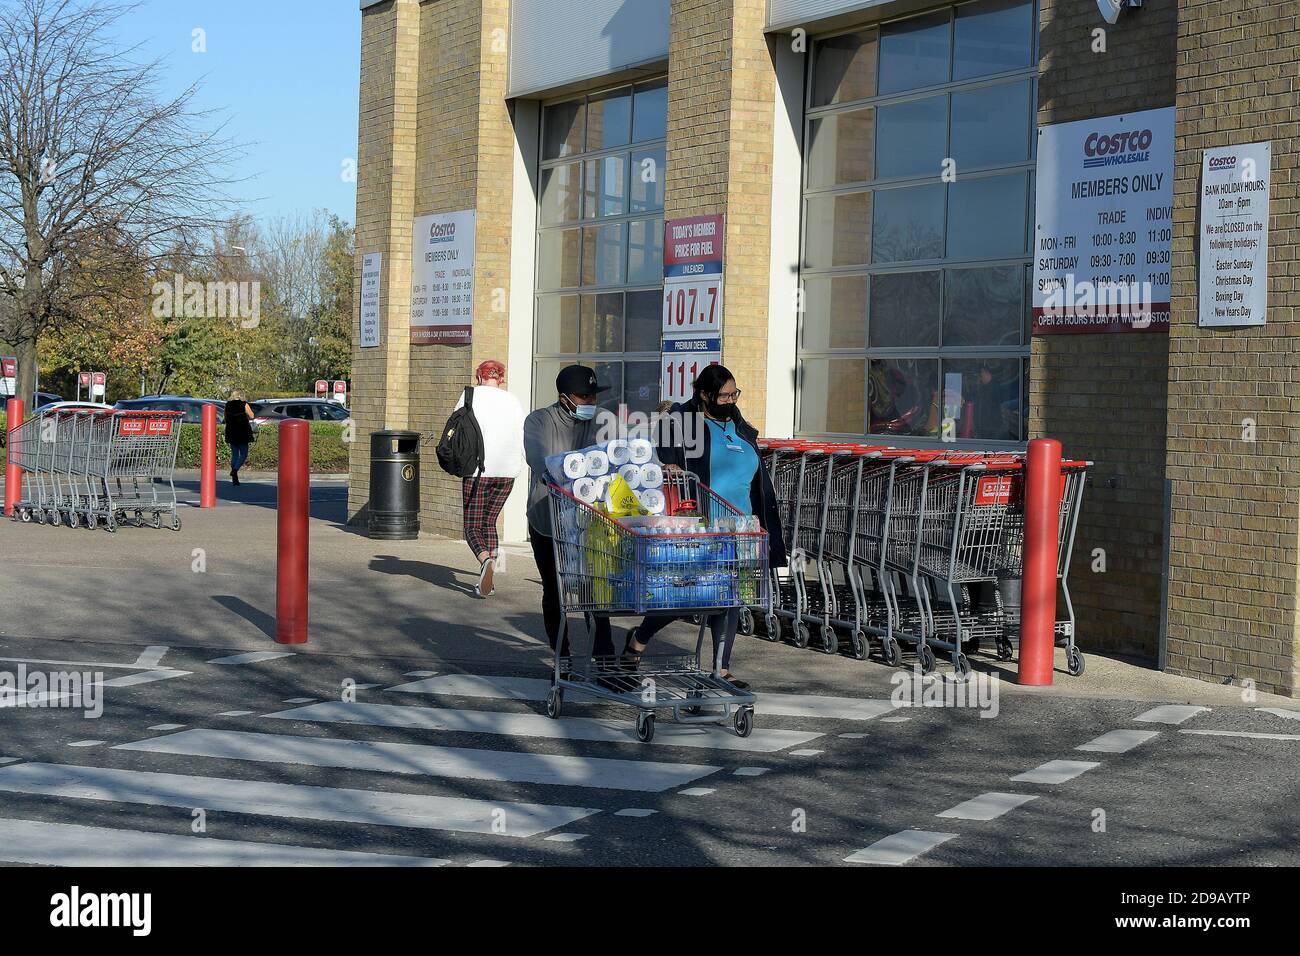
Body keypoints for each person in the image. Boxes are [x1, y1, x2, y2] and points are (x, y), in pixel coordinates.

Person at [621, 365, 786, 689]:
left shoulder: (741, 428)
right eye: (723, 395)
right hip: (703, 523)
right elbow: (667, 458)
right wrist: (668, 464)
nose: (730, 400)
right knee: (687, 594)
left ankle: (721, 669)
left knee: (730, 598)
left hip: (742, 525)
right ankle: (639, 638)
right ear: (704, 395)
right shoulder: (683, 424)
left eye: (734, 394)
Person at [523, 365, 615, 664]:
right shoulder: (539, 421)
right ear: (565, 398)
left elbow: (618, 451)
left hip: (591, 521)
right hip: (548, 519)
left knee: (594, 591)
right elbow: (540, 459)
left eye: (593, 396)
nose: (590, 402)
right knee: (555, 590)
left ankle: (604, 659)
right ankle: (562, 657)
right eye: (584, 396)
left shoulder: (603, 420)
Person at [454, 360, 525, 598]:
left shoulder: (470, 396)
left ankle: (485, 561)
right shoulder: (513, 400)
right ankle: (490, 577)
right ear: (501, 378)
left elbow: (455, 429)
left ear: (478, 375)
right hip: (508, 471)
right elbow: (522, 434)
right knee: (490, 522)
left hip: (478, 471)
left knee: (472, 525)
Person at [223, 390, 255, 486]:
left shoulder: (227, 405)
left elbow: (225, 418)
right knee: (244, 454)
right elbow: (252, 416)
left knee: (235, 454)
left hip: (231, 431)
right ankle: (235, 470)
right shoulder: (244, 404)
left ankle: (234, 477)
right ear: (241, 396)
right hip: (242, 431)